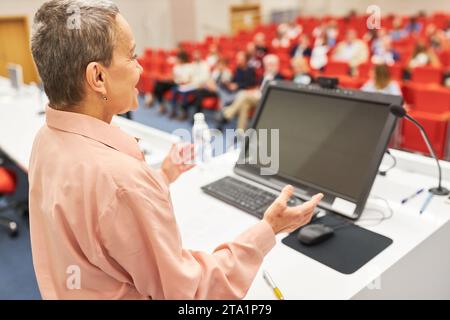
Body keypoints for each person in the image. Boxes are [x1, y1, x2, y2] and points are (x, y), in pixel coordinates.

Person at [29, 0, 323, 300]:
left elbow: (96, 222)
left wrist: (163, 176)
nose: (140, 67)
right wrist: (268, 229)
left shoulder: (46, 138)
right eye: (132, 56)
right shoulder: (120, 180)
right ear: (98, 78)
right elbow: (192, 294)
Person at [216, 54, 284, 131]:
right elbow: (259, 87)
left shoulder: (279, 77)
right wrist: (252, 91)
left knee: (242, 94)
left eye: (271, 64)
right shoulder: (264, 75)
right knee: (245, 105)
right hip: (258, 96)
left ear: (276, 64)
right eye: (267, 64)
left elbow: (276, 92)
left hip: (267, 99)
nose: (268, 66)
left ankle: (226, 114)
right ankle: (240, 132)